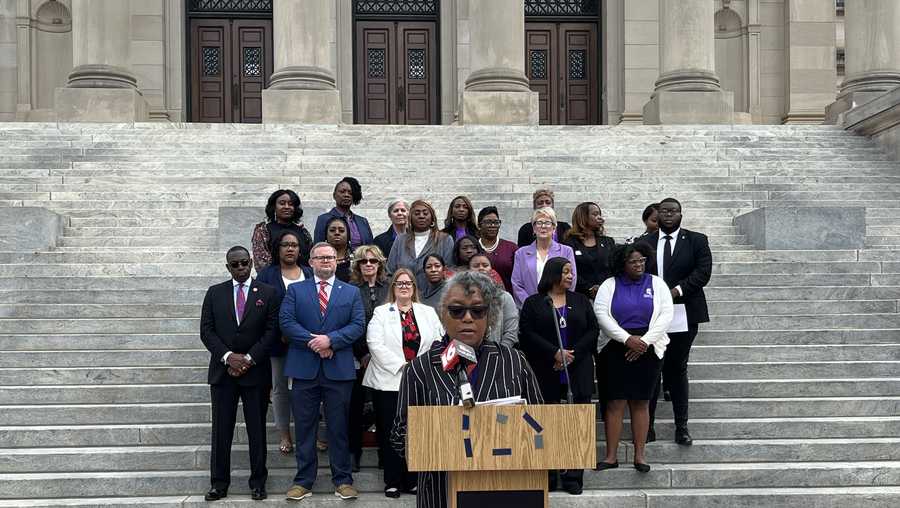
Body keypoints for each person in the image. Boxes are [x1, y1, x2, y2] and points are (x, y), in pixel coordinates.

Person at [390, 271, 544, 508]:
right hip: (440, 493)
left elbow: (542, 424)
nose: (467, 318)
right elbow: (399, 438)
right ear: (443, 315)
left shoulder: (514, 362)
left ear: (490, 316)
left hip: (505, 490)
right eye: (457, 310)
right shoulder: (419, 370)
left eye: (478, 310)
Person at [280, 242, 366, 501]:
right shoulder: (296, 290)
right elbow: (286, 322)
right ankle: (304, 481)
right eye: (321, 257)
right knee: (305, 427)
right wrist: (315, 343)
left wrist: (331, 341)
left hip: (338, 371)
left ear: (336, 262)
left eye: (330, 257)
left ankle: (343, 480)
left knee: (338, 427)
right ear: (311, 262)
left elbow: (358, 324)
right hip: (304, 369)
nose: (326, 261)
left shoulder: (350, 292)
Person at [199, 246, 280, 501]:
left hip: (255, 373)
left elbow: (271, 331)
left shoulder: (268, 293)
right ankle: (219, 483)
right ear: (228, 267)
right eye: (235, 265)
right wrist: (227, 357)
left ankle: (258, 482)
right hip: (223, 374)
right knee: (221, 430)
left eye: (245, 263)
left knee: (257, 430)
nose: (241, 268)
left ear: (252, 262)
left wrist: (248, 358)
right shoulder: (215, 293)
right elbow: (207, 331)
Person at [518, 257, 598, 494]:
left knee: (576, 424)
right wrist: (554, 352)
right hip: (546, 369)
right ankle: (549, 474)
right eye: (565, 272)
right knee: (547, 423)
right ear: (553, 274)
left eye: (571, 272)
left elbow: (593, 329)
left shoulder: (580, 300)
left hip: (578, 367)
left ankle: (573, 476)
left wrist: (572, 354)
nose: (570, 276)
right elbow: (527, 333)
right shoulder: (535, 303)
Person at [363, 268, 444, 498]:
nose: (404, 286)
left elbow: (438, 341)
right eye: (399, 283)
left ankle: (413, 480)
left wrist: (419, 368)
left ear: (414, 288)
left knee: (417, 432)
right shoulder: (381, 312)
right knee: (391, 432)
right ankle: (392, 481)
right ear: (393, 288)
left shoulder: (427, 312)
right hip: (388, 382)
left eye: (408, 283)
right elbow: (374, 343)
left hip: (421, 381)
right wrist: (403, 366)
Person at [639, 197, 712, 446]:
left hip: (684, 311)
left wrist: (677, 291)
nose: (668, 214)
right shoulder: (645, 242)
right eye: (664, 211)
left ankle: (681, 426)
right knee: (651, 369)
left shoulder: (696, 240)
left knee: (677, 368)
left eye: (673, 211)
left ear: (681, 214)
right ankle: (646, 426)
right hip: (652, 314)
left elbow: (703, 272)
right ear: (657, 215)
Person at [594, 243, 673, 472]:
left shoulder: (657, 283)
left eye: (642, 261)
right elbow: (602, 315)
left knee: (641, 401)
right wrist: (628, 339)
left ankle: (640, 456)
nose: (639, 265)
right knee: (615, 402)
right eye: (633, 262)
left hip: (648, 347)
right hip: (615, 348)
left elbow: (666, 314)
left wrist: (644, 342)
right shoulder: (610, 285)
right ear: (622, 264)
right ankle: (611, 456)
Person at [255, 231, 314, 457]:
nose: (290, 249)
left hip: (308, 341)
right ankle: (284, 434)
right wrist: (281, 332)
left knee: (309, 388)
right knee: (280, 389)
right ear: (277, 249)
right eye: (285, 245)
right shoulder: (266, 275)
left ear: (300, 250)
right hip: (278, 342)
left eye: (294, 245)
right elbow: (261, 310)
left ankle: (310, 433)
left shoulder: (309, 273)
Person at [348, 244, 391, 472]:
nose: (368, 265)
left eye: (372, 261)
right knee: (354, 408)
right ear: (356, 265)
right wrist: (363, 352)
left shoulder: (390, 288)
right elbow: (349, 323)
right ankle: (353, 453)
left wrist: (379, 355)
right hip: (357, 357)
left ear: (380, 264)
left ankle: (386, 455)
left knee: (384, 409)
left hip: (386, 359)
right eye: (363, 261)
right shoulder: (350, 289)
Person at [511, 207, 577, 309]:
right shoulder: (521, 253)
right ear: (533, 228)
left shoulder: (566, 251)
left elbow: (571, 280)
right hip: (530, 309)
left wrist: (558, 303)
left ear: (554, 227)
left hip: (559, 307)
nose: (543, 226)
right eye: (539, 222)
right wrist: (531, 305)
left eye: (547, 223)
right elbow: (517, 284)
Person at [387, 199, 455, 289]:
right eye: (417, 213)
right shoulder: (400, 240)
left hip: (435, 296)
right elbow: (390, 272)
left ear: (432, 218)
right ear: (410, 217)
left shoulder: (445, 240)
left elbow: (449, 271)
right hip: (406, 296)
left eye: (425, 213)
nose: (421, 216)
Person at [565, 202, 615, 302]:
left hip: (608, 296)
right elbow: (570, 271)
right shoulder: (570, 243)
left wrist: (604, 288)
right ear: (583, 217)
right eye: (595, 214)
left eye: (600, 214)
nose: (600, 218)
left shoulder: (608, 242)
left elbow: (614, 267)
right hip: (580, 297)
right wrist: (589, 288)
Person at [251, 189, 312, 270]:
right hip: (272, 279)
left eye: (291, 204)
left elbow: (310, 258)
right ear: (274, 207)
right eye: (282, 203)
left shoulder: (303, 231)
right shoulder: (263, 231)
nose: (286, 207)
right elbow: (261, 262)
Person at [469, 253, 518, 348]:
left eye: (485, 265)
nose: (481, 268)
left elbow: (511, 331)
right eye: (476, 266)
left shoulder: (504, 297)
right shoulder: (462, 297)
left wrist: (500, 353)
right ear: (469, 270)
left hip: (498, 353)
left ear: (491, 269)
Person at [314, 177, 374, 251]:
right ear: (334, 195)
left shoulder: (362, 221)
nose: (346, 195)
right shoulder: (323, 219)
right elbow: (318, 248)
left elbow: (371, 247)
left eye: (350, 193)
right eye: (342, 192)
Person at [477, 206, 518, 292]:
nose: (492, 225)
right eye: (488, 222)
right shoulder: (473, 247)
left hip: (506, 298)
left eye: (496, 222)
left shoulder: (511, 248)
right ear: (479, 225)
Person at [325, 216, 352, 282]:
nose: (337, 233)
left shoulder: (357, 260)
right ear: (326, 235)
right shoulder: (318, 260)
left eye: (341, 231)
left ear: (348, 236)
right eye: (332, 230)